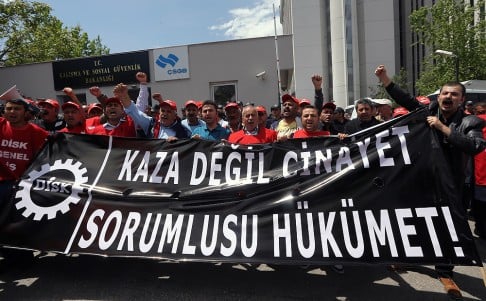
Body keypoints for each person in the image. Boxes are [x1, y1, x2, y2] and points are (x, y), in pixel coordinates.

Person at [375, 64, 486, 299]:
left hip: (452, 185)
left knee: (447, 228)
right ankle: (406, 257)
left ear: (461, 99)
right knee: (413, 221)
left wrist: (444, 129)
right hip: (423, 180)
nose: (448, 97)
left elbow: (474, 146)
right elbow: (405, 99)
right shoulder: (430, 111)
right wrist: (385, 79)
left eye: (454, 94)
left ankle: (445, 271)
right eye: (445, 93)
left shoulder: (471, 122)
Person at [0, 98, 49, 199]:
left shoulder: (38, 133)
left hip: (21, 185)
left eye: (17, 109)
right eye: (9, 108)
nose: (12, 112)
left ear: (26, 112)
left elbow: (42, 160)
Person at [119, 84, 190, 141]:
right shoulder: (151, 123)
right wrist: (124, 96)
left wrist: (176, 142)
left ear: (175, 116)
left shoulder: (183, 129)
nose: (165, 113)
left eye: (169, 111)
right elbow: (134, 111)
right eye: (162, 111)